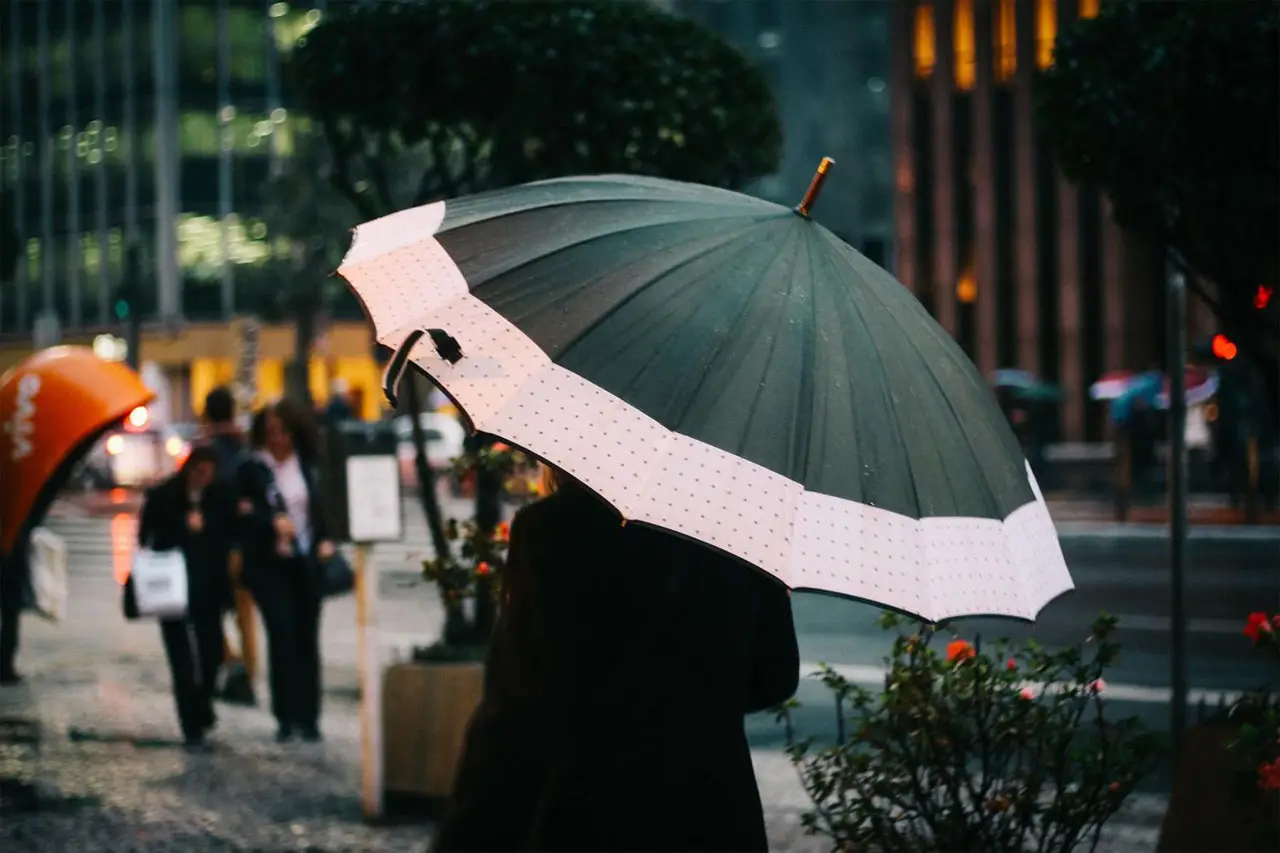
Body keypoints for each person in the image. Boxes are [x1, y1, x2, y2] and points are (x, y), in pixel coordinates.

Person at [434, 465, 800, 852]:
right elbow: (775, 676)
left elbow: (518, 703)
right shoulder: (743, 532)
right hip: (709, 808)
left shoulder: (550, 527)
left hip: (588, 806)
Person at [238, 400, 333, 743]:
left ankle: (309, 717)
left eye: (282, 432)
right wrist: (270, 522)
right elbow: (243, 512)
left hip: (305, 562)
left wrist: (325, 539)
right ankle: (286, 716)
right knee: (281, 635)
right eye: (271, 432)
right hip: (270, 566)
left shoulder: (308, 465)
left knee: (306, 638)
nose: (277, 439)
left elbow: (324, 508)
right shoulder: (254, 467)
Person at [137, 444, 235, 749]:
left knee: (211, 652)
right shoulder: (165, 494)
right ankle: (190, 723)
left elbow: (228, 534)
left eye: (209, 473)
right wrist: (183, 529)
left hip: (208, 585)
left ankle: (202, 703)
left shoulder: (219, 496)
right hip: (172, 584)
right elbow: (147, 536)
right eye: (199, 472)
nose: (204, 478)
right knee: (181, 659)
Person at [202, 385, 259, 706]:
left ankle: (232, 662)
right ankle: (249, 678)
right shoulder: (245, 447)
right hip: (245, 544)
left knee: (208, 612)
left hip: (216, 546)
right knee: (245, 615)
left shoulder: (205, 452)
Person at [0, 531, 29, 686]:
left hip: (11, 555)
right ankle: (5, 667)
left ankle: (5, 666)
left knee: (10, 615)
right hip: (11, 557)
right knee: (10, 614)